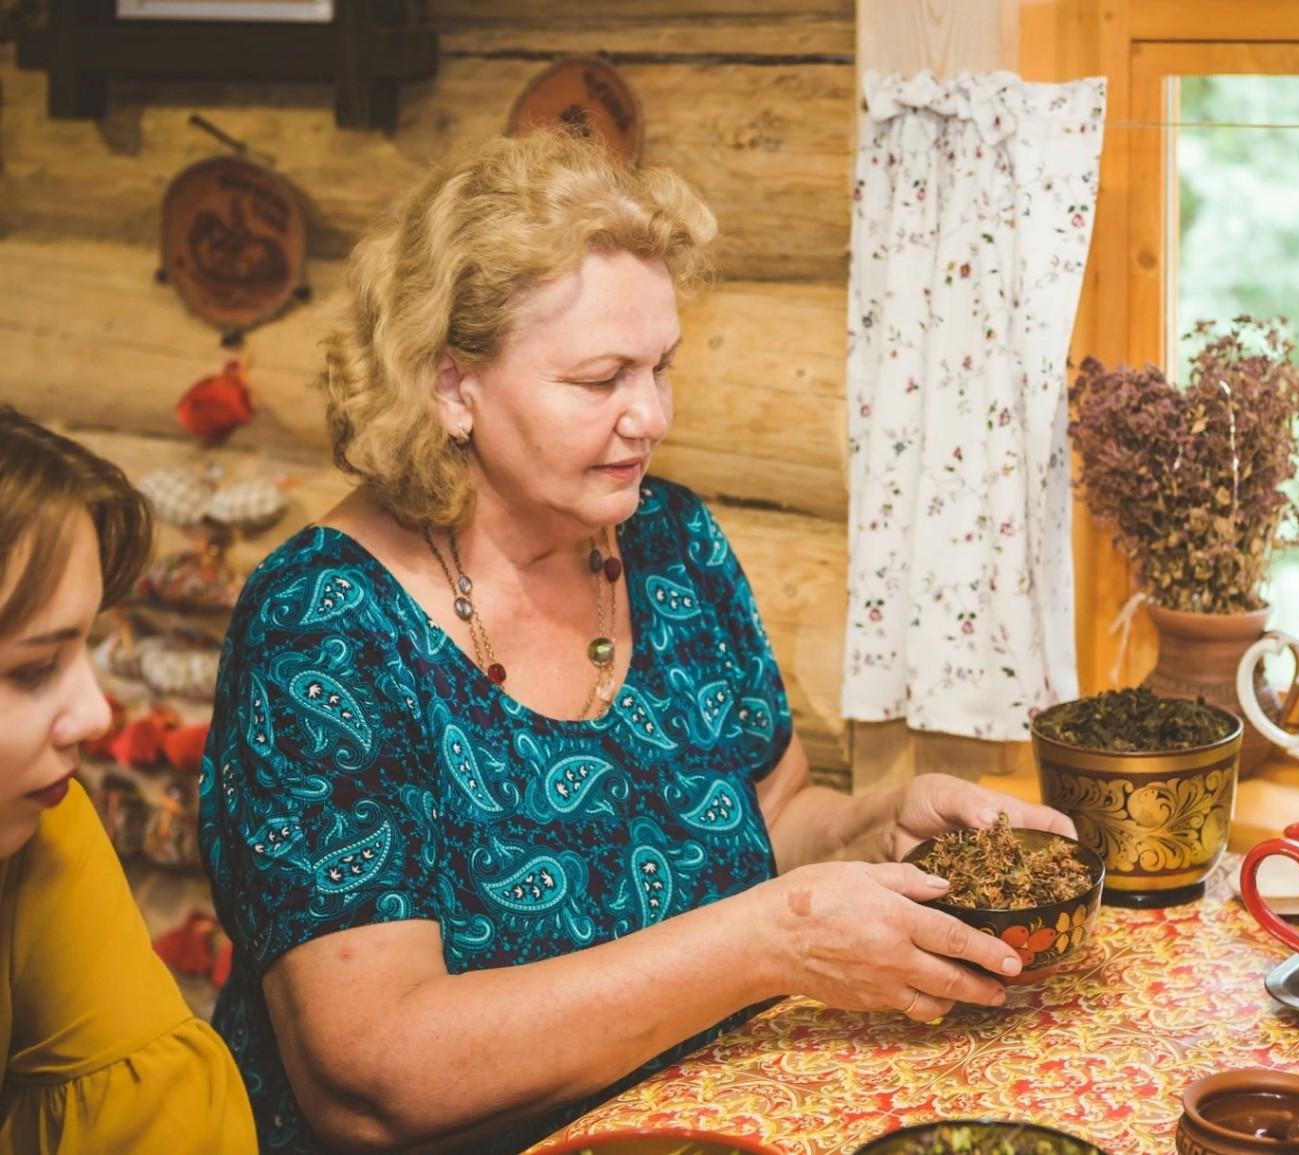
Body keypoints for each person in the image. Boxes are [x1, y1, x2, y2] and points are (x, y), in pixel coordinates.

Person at [198, 128, 1077, 1155]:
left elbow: (771, 815)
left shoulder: (669, 540)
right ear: (450, 386)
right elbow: (376, 1079)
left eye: (661, 366)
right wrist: (769, 942)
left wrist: (880, 827)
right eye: (600, 379)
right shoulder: (324, 627)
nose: (649, 415)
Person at [0, 407, 257, 1152]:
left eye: (85, 647)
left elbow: (150, 1115)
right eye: (31, 669)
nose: (93, 713)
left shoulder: (44, 830)